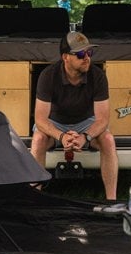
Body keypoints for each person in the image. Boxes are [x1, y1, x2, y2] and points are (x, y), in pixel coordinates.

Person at [31, 31, 119, 201]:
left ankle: (112, 202)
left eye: (89, 52)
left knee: (108, 139)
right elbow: (40, 119)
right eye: (80, 54)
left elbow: (102, 119)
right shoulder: (48, 75)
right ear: (65, 57)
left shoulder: (98, 76)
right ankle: (35, 199)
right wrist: (62, 136)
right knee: (38, 139)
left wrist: (85, 137)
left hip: (86, 123)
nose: (86, 57)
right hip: (56, 123)